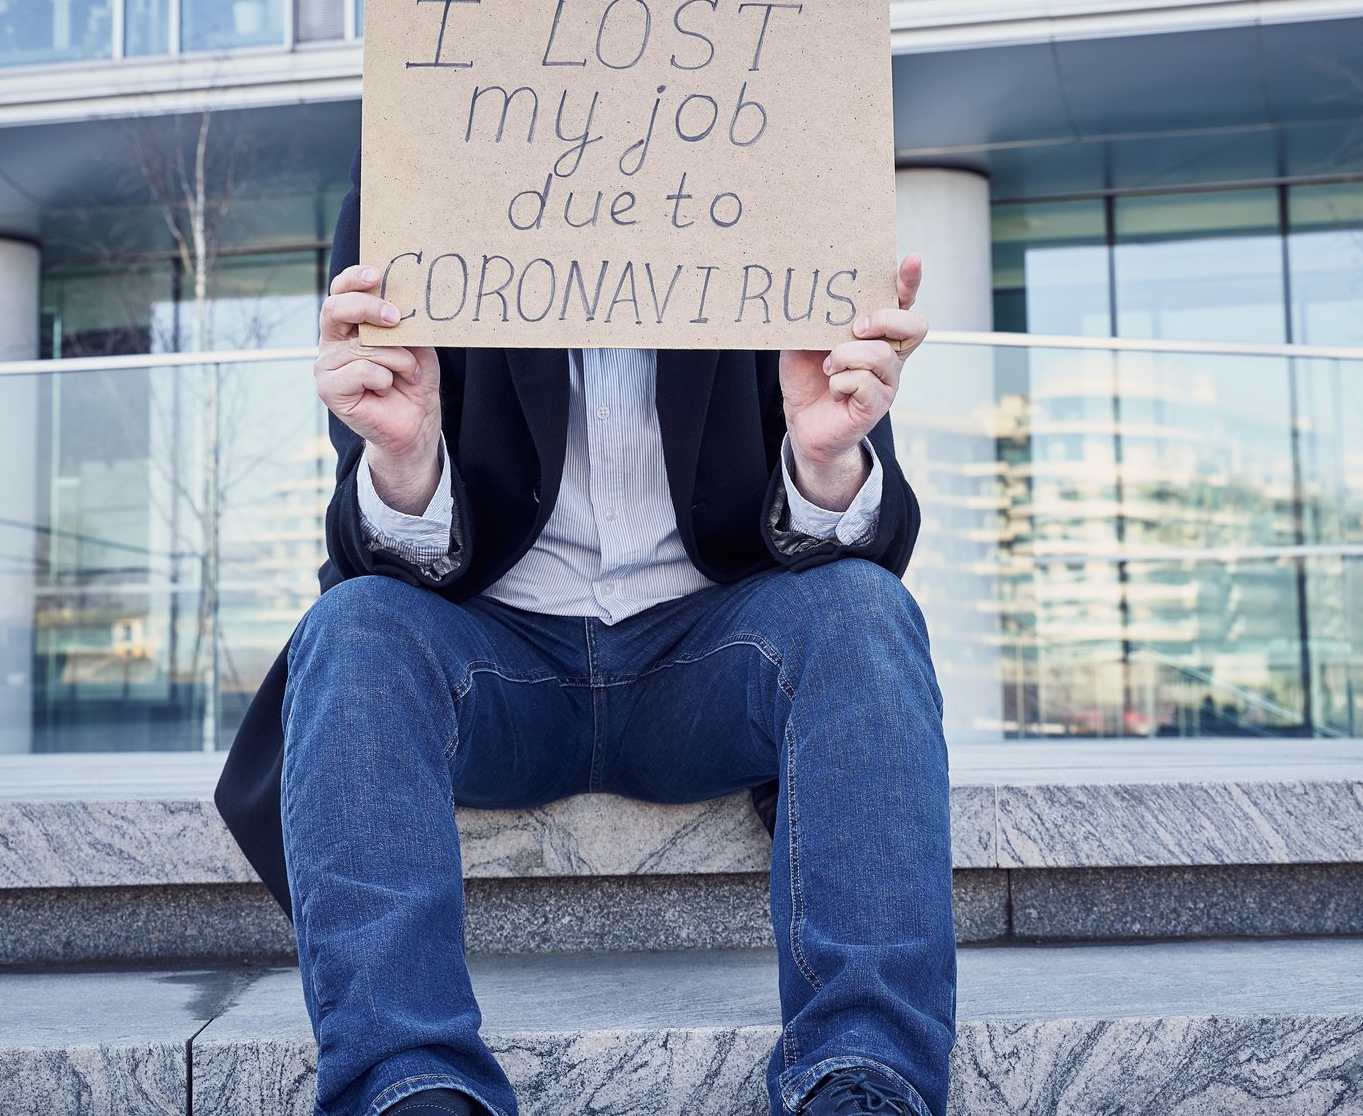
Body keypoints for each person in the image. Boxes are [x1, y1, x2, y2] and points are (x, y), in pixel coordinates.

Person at [216, 160, 956, 1116]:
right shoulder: (420, 167)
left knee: (864, 612)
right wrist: (402, 459)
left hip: (710, 657)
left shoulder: (784, 160)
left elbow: (868, 545)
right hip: (493, 657)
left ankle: (866, 1081)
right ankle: (409, 1089)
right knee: (351, 628)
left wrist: (823, 461)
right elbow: (376, 552)